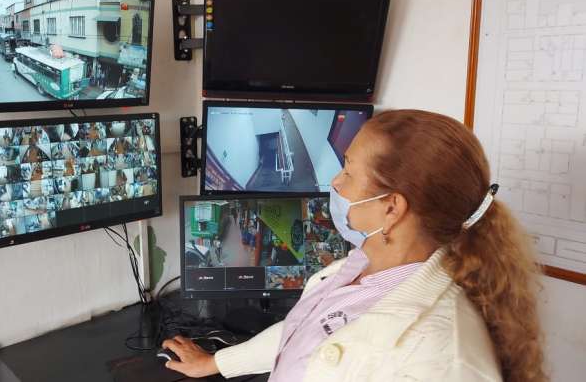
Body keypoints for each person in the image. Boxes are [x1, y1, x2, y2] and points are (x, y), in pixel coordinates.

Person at [161, 110, 545, 382]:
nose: (336, 184)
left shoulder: (444, 359)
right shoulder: (362, 265)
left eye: (348, 169)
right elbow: (306, 331)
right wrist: (215, 363)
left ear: (391, 207)